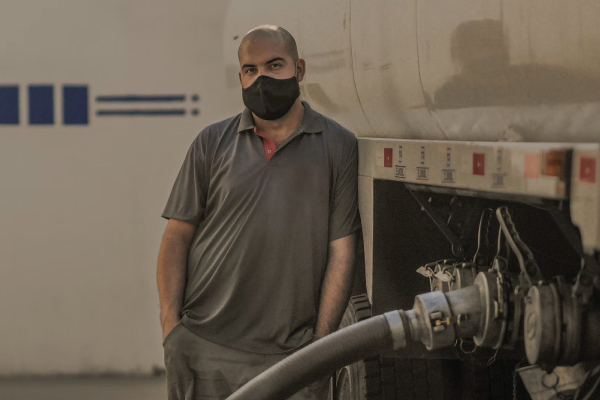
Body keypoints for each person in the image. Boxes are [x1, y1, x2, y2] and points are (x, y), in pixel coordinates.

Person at [157, 24, 361, 400]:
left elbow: (342, 251)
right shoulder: (211, 142)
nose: (261, 79)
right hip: (203, 345)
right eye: (250, 70)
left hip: (291, 356)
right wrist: (172, 328)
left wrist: (321, 345)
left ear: (299, 70)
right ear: (240, 76)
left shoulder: (338, 145)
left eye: (274, 66)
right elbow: (176, 238)